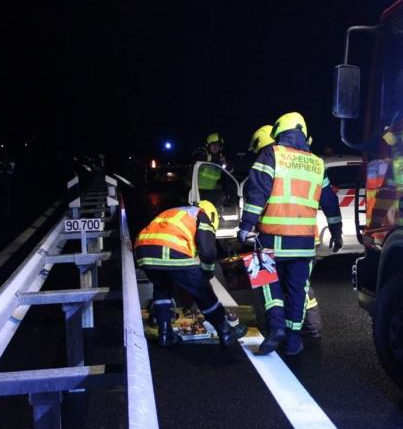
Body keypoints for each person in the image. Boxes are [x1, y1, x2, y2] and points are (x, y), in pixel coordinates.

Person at [239, 112, 343, 355]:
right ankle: (294, 340)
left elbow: (256, 193)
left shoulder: (271, 154)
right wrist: (336, 232)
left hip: (272, 238)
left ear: (280, 132)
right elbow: (330, 202)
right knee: (298, 290)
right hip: (305, 242)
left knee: (266, 281)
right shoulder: (317, 163)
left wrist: (245, 226)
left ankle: (276, 328)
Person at [134, 200, 248, 347]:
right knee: (203, 291)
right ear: (212, 216)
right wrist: (206, 274)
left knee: (162, 289)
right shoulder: (201, 215)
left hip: (143, 250)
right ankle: (225, 331)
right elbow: (207, 251)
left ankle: (165, 333)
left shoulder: (176, 212)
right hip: (169, 249)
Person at [248, 124, 324, 339]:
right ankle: (301, 328)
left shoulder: (276, 161)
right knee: (297, 285)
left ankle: (304, 327)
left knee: (286, 285)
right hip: (304, 236)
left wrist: (250, 225)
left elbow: (263, 201)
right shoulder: (293, 161)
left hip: (287, 236)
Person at [192, 133, 227, 205]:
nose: (215, 147)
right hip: (197, 192)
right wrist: (218, 160)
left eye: (218, 145)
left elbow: (229, 171)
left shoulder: (220, 158)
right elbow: (198, 156)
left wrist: (226, 164)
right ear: (208, 145)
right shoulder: (202, 152)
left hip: (212, 192)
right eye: (213, 144)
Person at [0, 151, 16, 216]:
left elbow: (14, 174)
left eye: (6, 154)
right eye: (3, 154)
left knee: (7, 197)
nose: (5, 156)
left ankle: (8, 210)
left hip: (8, 184)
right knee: (0, 197)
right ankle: (0, 210)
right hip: (0, 184)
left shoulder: (12, 164)